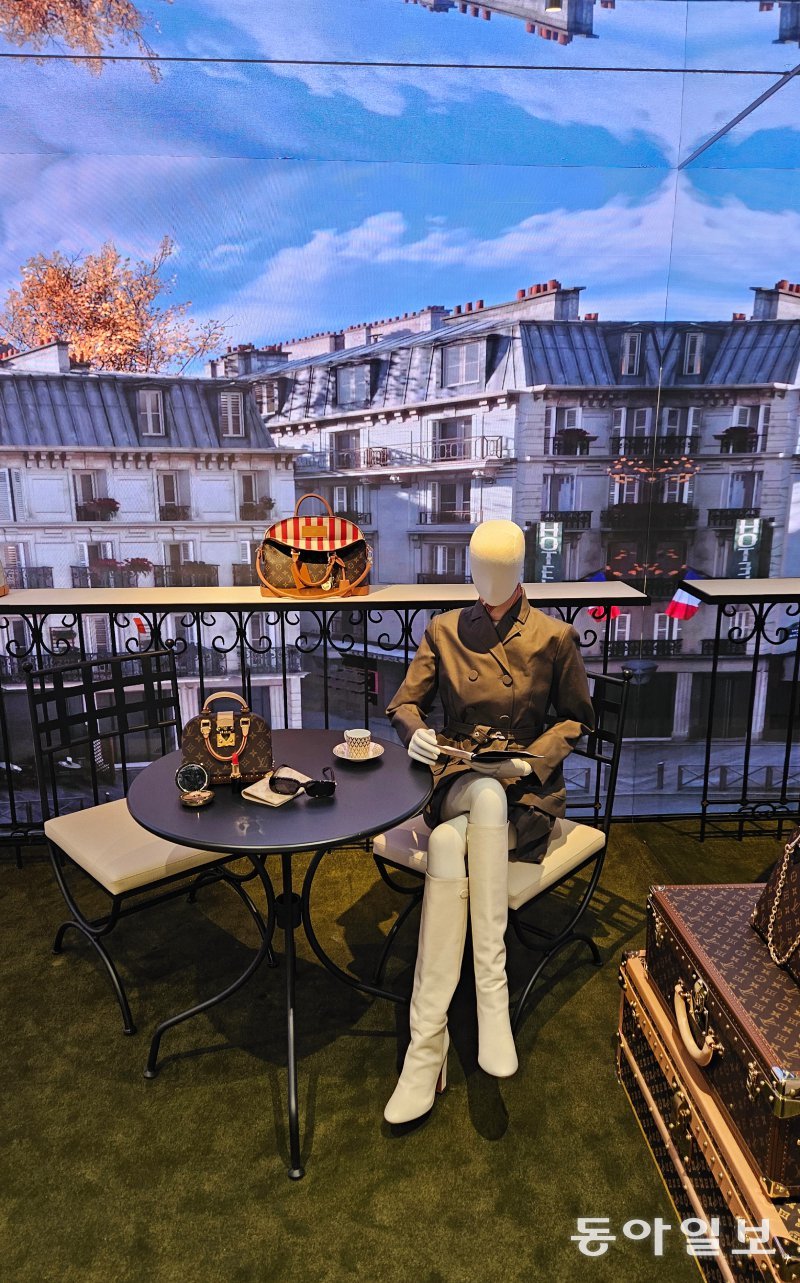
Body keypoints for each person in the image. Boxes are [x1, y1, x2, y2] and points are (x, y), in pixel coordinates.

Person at [384, 519, 594, 1125]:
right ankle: (490, 998)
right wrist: (416, 733)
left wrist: (531, 761)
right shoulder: (444, 629)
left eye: (501, 566)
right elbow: (404, 702)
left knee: (450, 846)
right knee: (483, 798)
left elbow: (576, 719)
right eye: (481, 565)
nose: (490, 577)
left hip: (525, 791)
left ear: (521, 568)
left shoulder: (554, 636)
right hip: (457, 774)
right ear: (470, 569)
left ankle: (426, 1050)